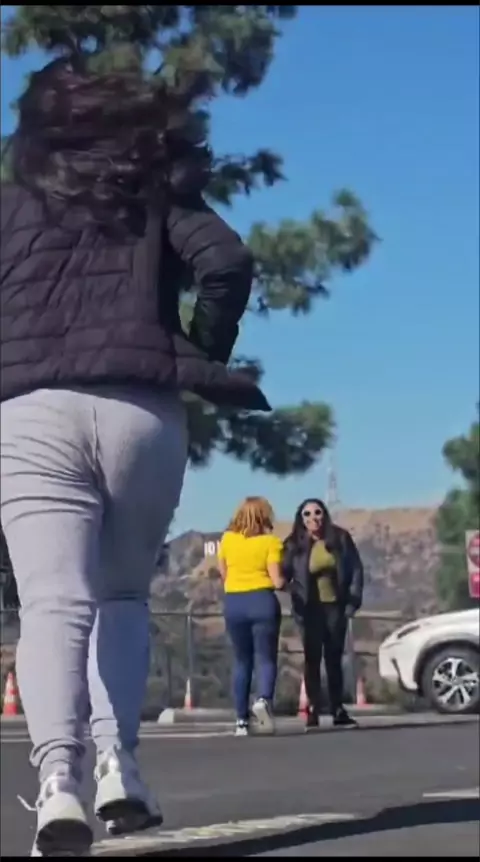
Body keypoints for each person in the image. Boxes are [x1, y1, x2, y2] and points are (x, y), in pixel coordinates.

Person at [0, 56, 270, 858]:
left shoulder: (9, 205)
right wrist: (199, 351)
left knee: (53, 604)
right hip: (140, 408)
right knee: (121, 595)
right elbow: (227, 263)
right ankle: (121, 767)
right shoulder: (153, 193)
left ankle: (58, 783)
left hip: (30, 410)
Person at [282, 499, 364, 729]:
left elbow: (355, 570)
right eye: (307, 514)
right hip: (308, 610)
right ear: (301, 518)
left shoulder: (340, 538)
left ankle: (337, 709)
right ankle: (313, 709)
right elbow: (283, 572)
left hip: (335, 607)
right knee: (312, 659)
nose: (313, 518)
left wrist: (353, 601)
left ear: (324, 515)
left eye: (317, 512)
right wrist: (290, 589)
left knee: (334, 658)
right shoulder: (293, 544)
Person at [217, 497, 284, 736]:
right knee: (265, 658)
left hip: (234, 602)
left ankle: (241, 721)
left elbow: (224, 573)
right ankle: (263, 699)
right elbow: (277, 580)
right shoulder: (271, 542)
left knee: (241, 660)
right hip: (262, 601)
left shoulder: (227, 540)